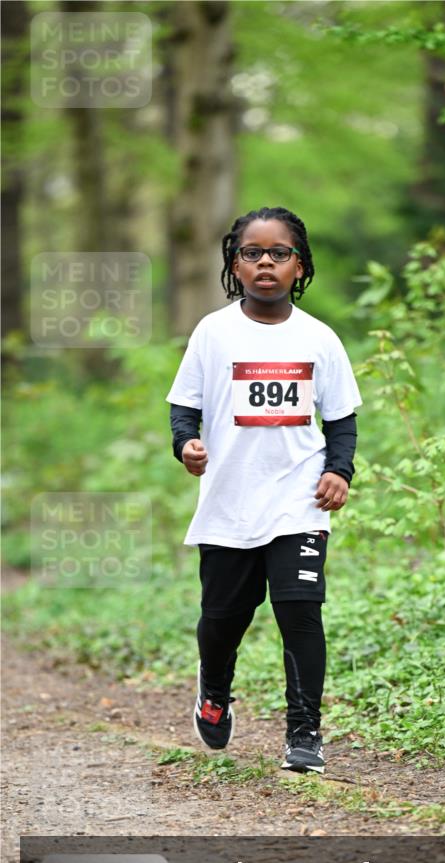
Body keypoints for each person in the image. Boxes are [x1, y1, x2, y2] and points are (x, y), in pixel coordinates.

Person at [166, 206, 362, 774]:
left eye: (280, 253)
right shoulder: (213, 331)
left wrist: (338, 471)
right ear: (235, 263)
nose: (266, 263)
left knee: (300, 612)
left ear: (300, 266)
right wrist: (187, 445)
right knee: (224, 617)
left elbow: (341, 419)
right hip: (229, 500)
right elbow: (185, 404)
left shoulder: (320, 339)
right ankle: (214, 691)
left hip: (297, 500)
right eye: (253, 253)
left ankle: (304, 733)